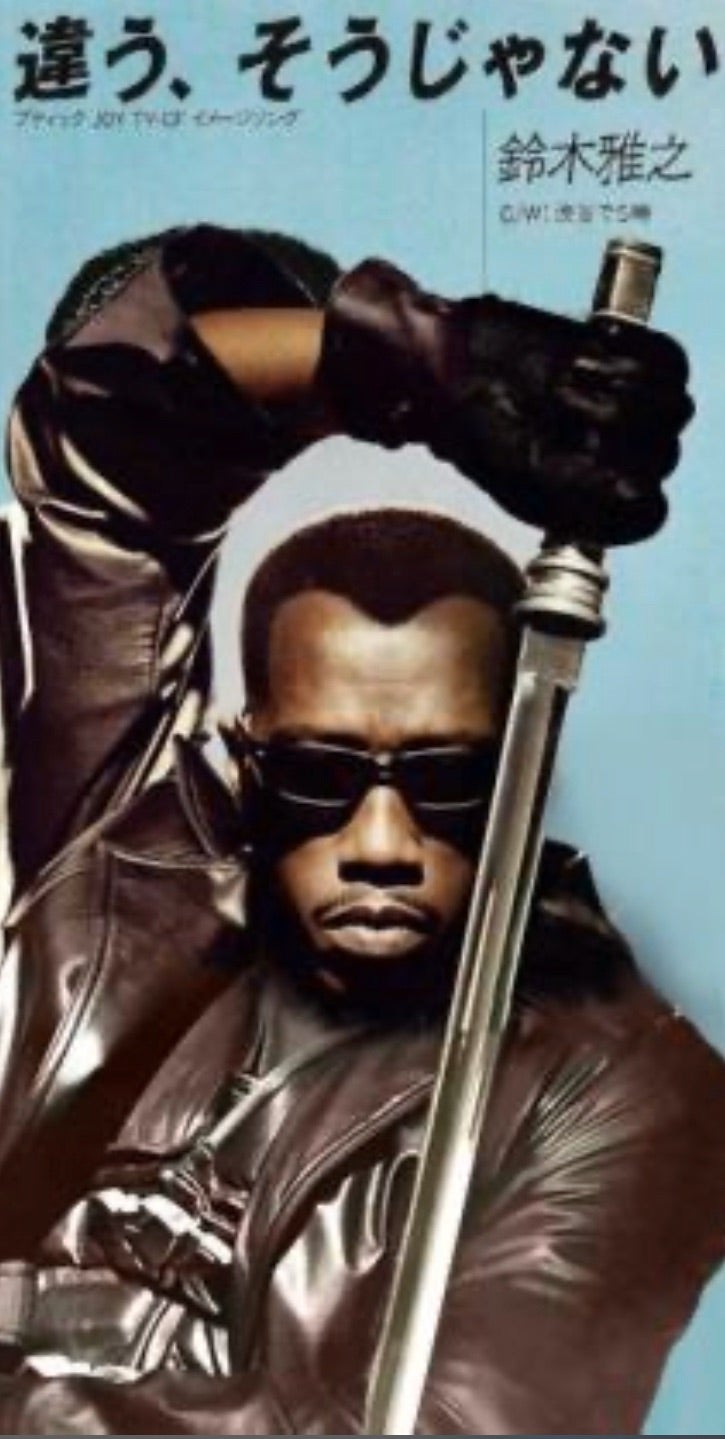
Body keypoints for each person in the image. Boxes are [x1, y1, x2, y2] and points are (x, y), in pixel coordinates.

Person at [0, 223, 720, 1436]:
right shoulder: (127, 863)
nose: (380, 836)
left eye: (443, 782)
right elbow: (105, 433)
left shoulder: (628, 1092)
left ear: (517, 777)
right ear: (248, 760)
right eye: (320, 773)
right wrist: (428, 367)